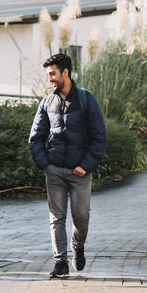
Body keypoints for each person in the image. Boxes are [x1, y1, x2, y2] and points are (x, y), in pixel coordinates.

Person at [28, 53, 107, 279]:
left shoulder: (86, 100)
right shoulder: (47, 102)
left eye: (53, 74)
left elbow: (99, 136)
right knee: (57, 217)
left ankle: (77, 244)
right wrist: (45, 164)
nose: (50, 79)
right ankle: (60, 261)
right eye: (48, 75)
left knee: (81, 216)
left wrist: (87, 165)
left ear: (65, 72)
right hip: (54, 171)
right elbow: (35, 137)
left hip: (79, 171)